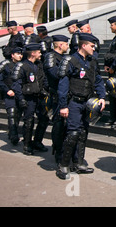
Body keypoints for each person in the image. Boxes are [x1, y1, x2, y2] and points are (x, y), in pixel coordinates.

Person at [56, 33, 106, 179]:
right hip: (74, 103)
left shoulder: (92, 61)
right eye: (91, 46)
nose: (94, 48)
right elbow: (63, 85)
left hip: (87, 102)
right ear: (83, 45)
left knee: (83, 132)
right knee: (73, 133)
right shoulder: (70, 60)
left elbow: (97, 80)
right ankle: (64, 165)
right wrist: (63, 105)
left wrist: (102, 97)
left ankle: (78, 162)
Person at [11, 43, 50, 155]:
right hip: (28, 98)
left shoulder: (38, 65)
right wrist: (21, 99)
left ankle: (37, 142)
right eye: (39, 52)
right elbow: (16, 84)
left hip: (39, 97)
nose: (40, 54)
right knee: (29, 121)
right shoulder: (21, 66)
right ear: (33, 53)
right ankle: (27, 144)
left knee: (44, 119)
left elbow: (43, 80)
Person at [43, 35, 70, 164]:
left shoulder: (64, 57)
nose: (68, 46)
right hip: (56, 95)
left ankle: (63, 150)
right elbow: (54, 73)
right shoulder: (50, 56)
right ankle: (58, 152)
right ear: (60, 45)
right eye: (66, 44)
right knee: (58, 125)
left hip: (64, 93)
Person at [0, 47, 23, 145]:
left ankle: (12, 131)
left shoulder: (22, 65)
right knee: (12, 114)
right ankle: (14, 136)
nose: (20, 56)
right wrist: (7, 90)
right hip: (9, 94)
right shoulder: (6, 65)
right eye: (17, 54)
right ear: (12, 55)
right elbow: (0, 80)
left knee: (18, 115)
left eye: (21, 54)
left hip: (20, 94)